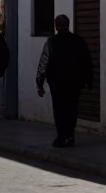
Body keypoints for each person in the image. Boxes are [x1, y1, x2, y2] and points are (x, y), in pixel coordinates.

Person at [35, 14, 93, 148]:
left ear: (56, 26)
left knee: (59, 109)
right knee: (72, 108)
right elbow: (87, 63)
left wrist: (39, 82)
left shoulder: (51, 42)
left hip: (57, 83)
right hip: (74, 83)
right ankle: (70, 135)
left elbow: (43, 63)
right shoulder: (79, 41)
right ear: (68, 25)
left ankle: (62, 136)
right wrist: (89, 80)